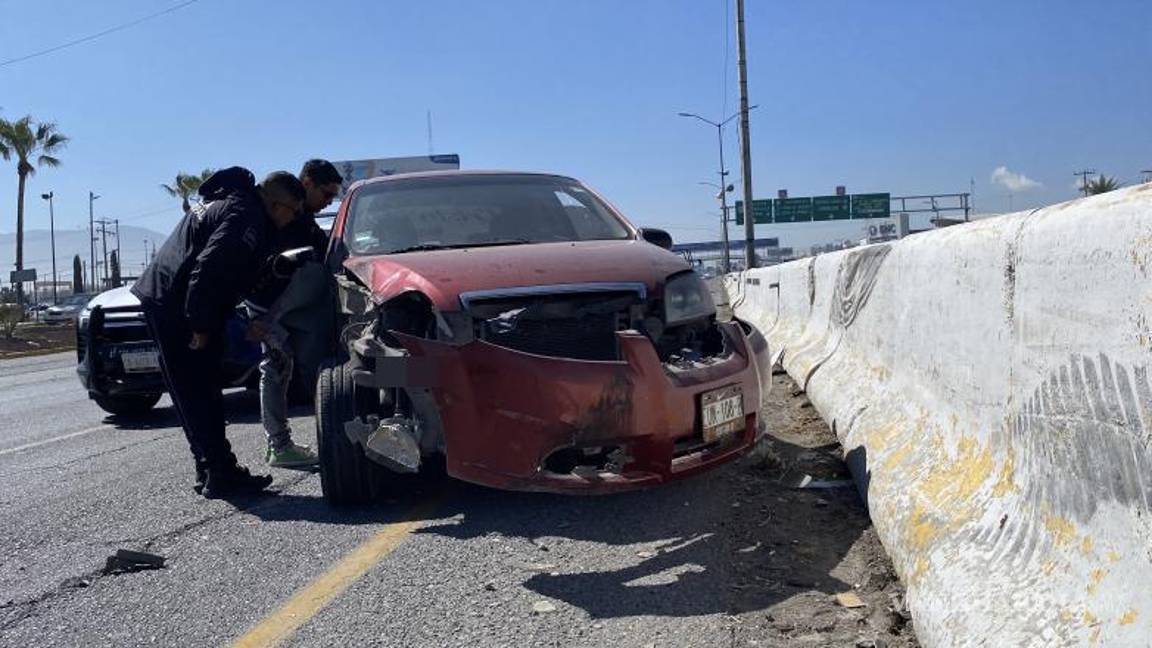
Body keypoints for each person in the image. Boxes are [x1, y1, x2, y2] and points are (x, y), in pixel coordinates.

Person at [132, 168, 306, 498]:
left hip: (172, 298)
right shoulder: (246, 216)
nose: (294, 218)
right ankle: (219, 472)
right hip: (176, 305)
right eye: (294, 211)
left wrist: (232, 316)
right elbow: (208, 270)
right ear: (276, 202)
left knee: (198, 389)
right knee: (198, 390)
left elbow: (225, 276)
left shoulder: (234, 203)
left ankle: (213, 468)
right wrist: (199, 326)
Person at [244, 159, 342, 467]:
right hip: (274, 312)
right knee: (275, 370)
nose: (328, 201)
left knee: (290, 371)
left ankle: (315, 443)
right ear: (308, 183)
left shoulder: (306, 222)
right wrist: (264, 318)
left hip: (300, 313)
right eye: (326, 194)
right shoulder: (285, 220)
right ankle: (280, 445)